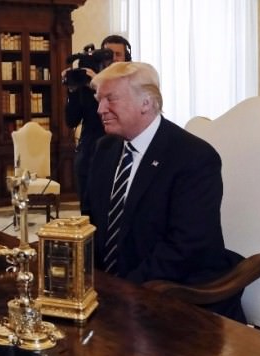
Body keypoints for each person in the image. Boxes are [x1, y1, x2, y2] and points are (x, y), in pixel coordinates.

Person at [81, 62, 245, 322]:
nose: (100, 109)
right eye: (99, 100)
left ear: (146, 103)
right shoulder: (105, 148)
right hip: (113, 296)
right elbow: (91, 222)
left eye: (110, 99)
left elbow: (186, 247)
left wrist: (120, 289)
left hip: (178, 298)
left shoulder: (194, 157)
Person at [64, 35, 132, 206]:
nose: (113, 59)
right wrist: (73, 91)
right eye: (108, 54)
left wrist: (99, 86)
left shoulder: (132, 82)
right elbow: (71, 121)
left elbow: (124, 114)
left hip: (119, 152)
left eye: (118, 54)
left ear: (127, 58)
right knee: (87, 208)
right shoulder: (87, 82)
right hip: (89, 152)